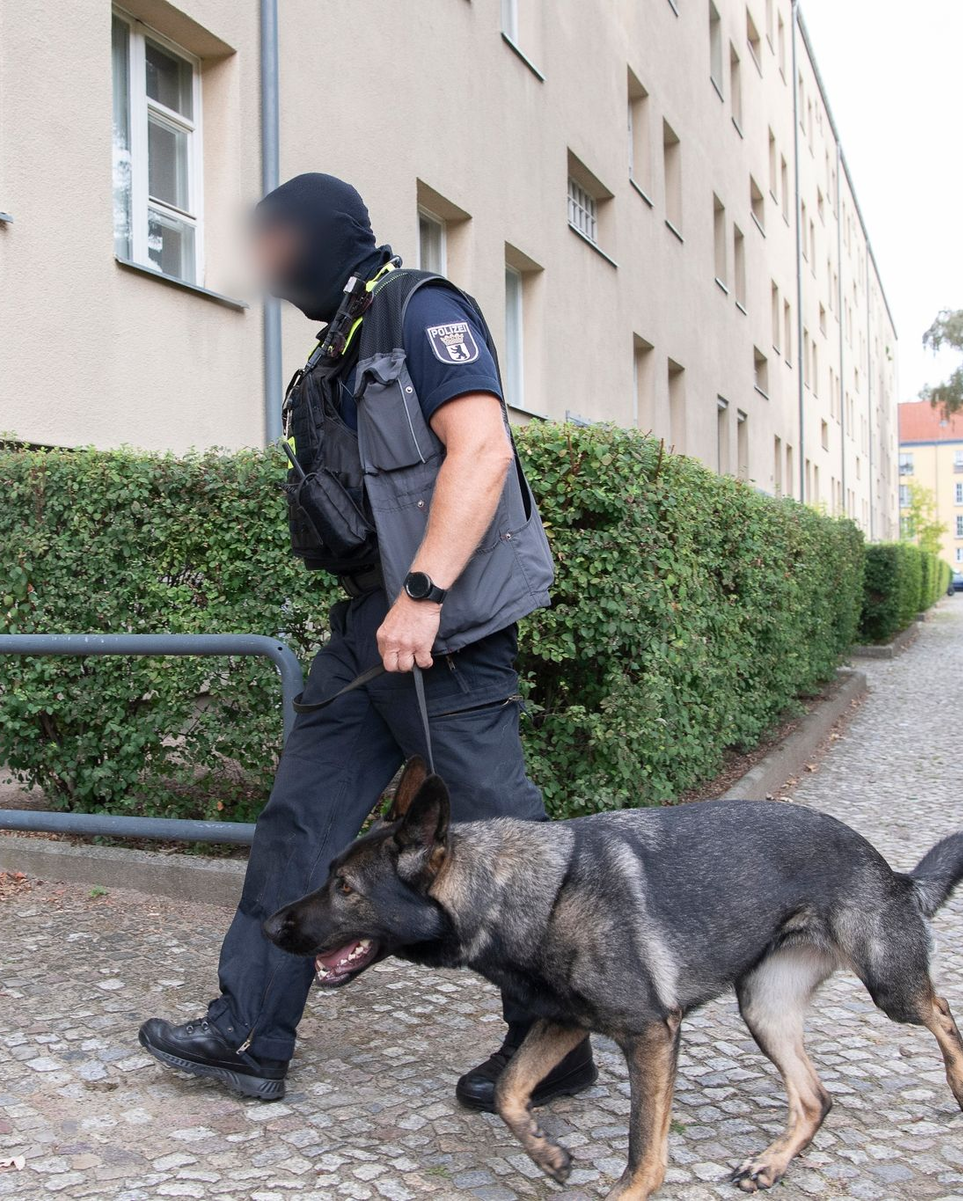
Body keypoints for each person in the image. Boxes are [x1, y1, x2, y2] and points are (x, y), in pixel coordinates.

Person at [138, 173, 596, 1111]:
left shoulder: (420, 312)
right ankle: (250, 1032)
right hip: (366, 628)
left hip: (446, 627)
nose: (268, 267)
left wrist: (424, 592)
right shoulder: (337, 343)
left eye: (277, 245)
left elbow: (482, 449)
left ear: (323, 236)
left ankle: (560, 1040)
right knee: (299, 823)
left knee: (505, 845)